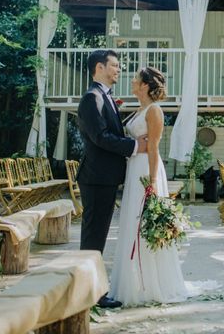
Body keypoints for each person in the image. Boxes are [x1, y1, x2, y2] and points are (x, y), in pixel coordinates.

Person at [109, 66, 188, 305]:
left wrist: (152, 183)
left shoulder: (154, 111)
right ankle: (134, 282)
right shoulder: (140, 109)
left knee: (141, 222)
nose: (132, 81)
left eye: (136, 79)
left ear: (145, 85)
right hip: (134, 167)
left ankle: (151, 285)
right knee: (132, 222)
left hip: (146, 169)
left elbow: (153, 147)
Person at [77, 49, 148, 309]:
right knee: (93, 237)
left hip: (103, 177)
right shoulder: (91, 98)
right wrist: (134, 147)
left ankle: (91, 290)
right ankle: (89, 294)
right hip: (96, 178)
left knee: (98, 235)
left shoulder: (104, 97)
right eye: (114, 65)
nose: (119, 69)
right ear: (99, 67)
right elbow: (101, 137)